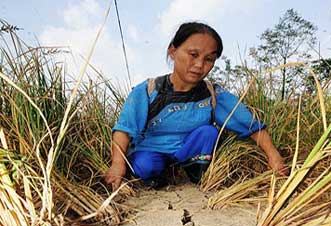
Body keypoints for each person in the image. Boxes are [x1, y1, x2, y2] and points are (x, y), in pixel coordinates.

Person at [105, 22, 286, 191]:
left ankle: (196, 175)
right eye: (193, 55)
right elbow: (124, 129)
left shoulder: (213, 95)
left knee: (209, 133)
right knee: (144, 166)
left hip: (190, 152)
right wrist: (117, 164)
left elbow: (249, 124)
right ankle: (161, 178)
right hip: (151, 150)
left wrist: (274, 156)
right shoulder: (148, 90)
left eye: (209, 59)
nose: (199, 65)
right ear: (173, 51)